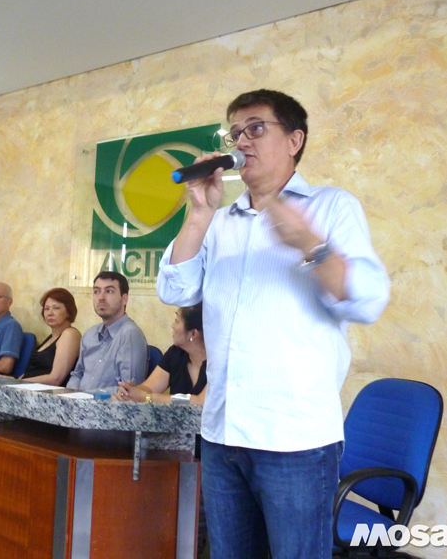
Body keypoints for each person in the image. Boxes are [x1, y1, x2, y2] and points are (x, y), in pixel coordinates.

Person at [156, 89, 390, 558]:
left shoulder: (330, 207)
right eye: (234, 132)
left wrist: (308, 241)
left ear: (294, 140)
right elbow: (175, 291)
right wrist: (199, 214)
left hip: (294, 439)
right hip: (223, 433)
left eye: (256, 128)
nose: (242, 140)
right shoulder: (221, 222)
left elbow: (367, 300)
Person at [66, 271, 148, 391]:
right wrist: (73, 396)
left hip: (109, 407)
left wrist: (88, 397)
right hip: (79, 405)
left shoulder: (130, 334)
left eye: (109, 291)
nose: (101, 297)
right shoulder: (90, 334)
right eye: (96, 291)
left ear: (124, 299)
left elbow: (129, 390)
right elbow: (77, 374)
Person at [116, 304, 207, 405]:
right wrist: (130, 392)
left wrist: (145, 397)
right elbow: (149, 387)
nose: (173, 326)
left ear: (193, 333)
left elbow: (200, 402)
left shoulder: (220, 363)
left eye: (177, 321)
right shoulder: (176, 353)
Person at [21, 288, 82, 385]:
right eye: (47, 308)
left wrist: (17, 382)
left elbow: (56, 379)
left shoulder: (69, 334)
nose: (50, 313)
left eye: (56, 308)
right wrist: (11, 379)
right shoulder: (51, 337)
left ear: (69, 311)